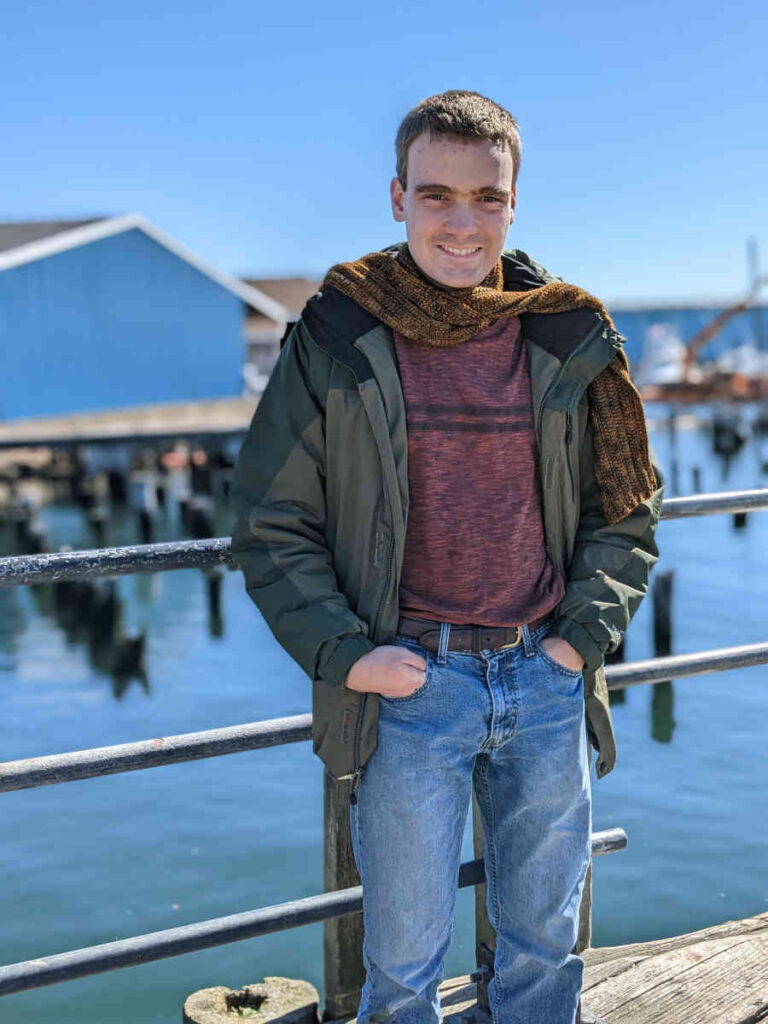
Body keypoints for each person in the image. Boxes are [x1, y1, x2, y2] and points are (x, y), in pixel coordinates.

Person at [230, 89, 663, 1024]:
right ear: (397, 198)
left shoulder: (565, 331)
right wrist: (353, 657)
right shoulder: (339, 335)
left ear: (515, 201)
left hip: (546, 679)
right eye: (436, 196)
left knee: (548, 951)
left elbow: (624, 509)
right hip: (410, 689)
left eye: (487, 198)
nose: (463, 224)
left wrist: (577, 641)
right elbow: (270, 519)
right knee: (400, 972)